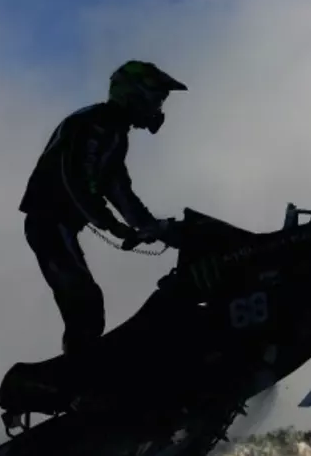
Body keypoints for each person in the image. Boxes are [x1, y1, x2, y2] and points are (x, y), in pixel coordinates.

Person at [18, 60, 187, 355]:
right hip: (49, 222)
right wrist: (114, 225)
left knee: (85, 302)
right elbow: (77, 181)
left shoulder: (114, 133)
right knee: (84, 302)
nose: (159, 107)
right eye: (158, 98)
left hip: (59, 224)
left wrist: (153, 227)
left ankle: (83, 377)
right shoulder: (95, 124)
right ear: (135, 94)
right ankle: (80, 383)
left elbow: (120, 190)